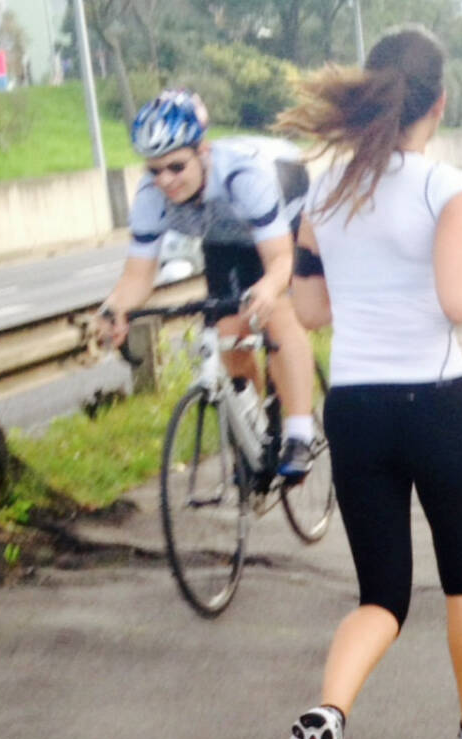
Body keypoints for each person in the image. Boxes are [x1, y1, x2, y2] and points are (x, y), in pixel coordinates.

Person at [274, 26, 462, 739]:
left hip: (358, 408)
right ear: (438, 102)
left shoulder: (327, 192)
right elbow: (458, 302)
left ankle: (330, 718)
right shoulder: (444, 186)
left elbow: (308, 310)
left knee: (380, 594)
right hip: (439, 406)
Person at [94, 89, 319, 479]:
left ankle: (301, 433)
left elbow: (281, 259)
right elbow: (138, 276)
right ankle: (258, 433)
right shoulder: (152, 196)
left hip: (285, 208)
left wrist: (267, 288)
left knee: (276, 309)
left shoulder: (243, 175)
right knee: (228, 327)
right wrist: (114, 307)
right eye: (154, 169)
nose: (165, 180)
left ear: (203, 152)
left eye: (176, 167)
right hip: (223, 233)